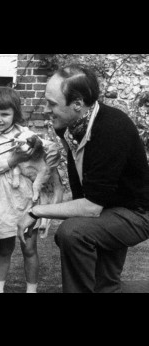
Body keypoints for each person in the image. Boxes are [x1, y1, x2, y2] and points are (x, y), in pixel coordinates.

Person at [17, 64, 149, 293]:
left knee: (72, 232)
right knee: (105, 286)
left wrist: (34, 211)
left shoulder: (110, 130)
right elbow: (83, 175)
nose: (46, 110)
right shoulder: (72, 127)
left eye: (52, 104)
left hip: (136, 213)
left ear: (77, 104)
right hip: (110, 207)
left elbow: (91, 208)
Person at [0, 86, 61, 293]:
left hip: (24, 197)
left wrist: (50, 148)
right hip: (0, 199)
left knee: (29, 248)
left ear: (15, 114)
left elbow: (47, 147)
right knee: (4, 248)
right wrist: (14, 159)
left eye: (5, 114)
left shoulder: (24, 133)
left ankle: (31, 290)